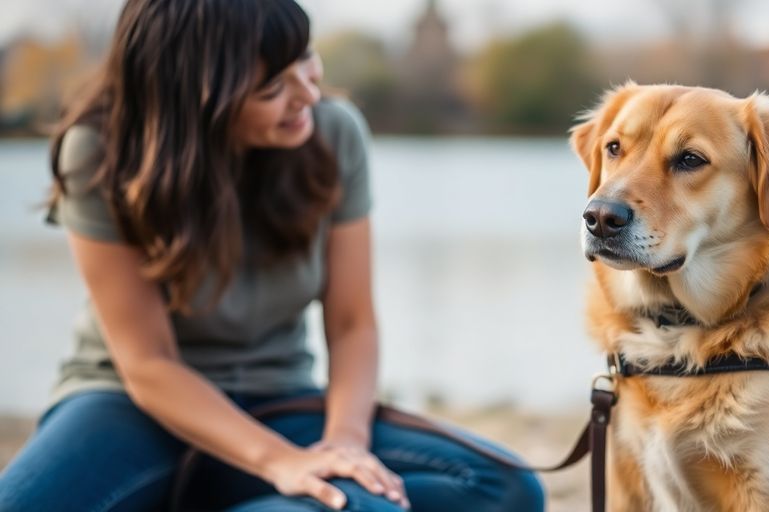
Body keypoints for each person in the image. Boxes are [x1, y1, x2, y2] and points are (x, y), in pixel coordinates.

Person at [0, 1, 545, 510]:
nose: (307, 93)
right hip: (128, 406)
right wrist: (279, 462)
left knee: (505, 487)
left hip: (279, 398)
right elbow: (149, 364)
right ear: (196, 98)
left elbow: (353, 324)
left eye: (304, 59)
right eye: (271, 88)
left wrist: (342, 445)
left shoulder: (335, 134)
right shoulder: (97, 152)